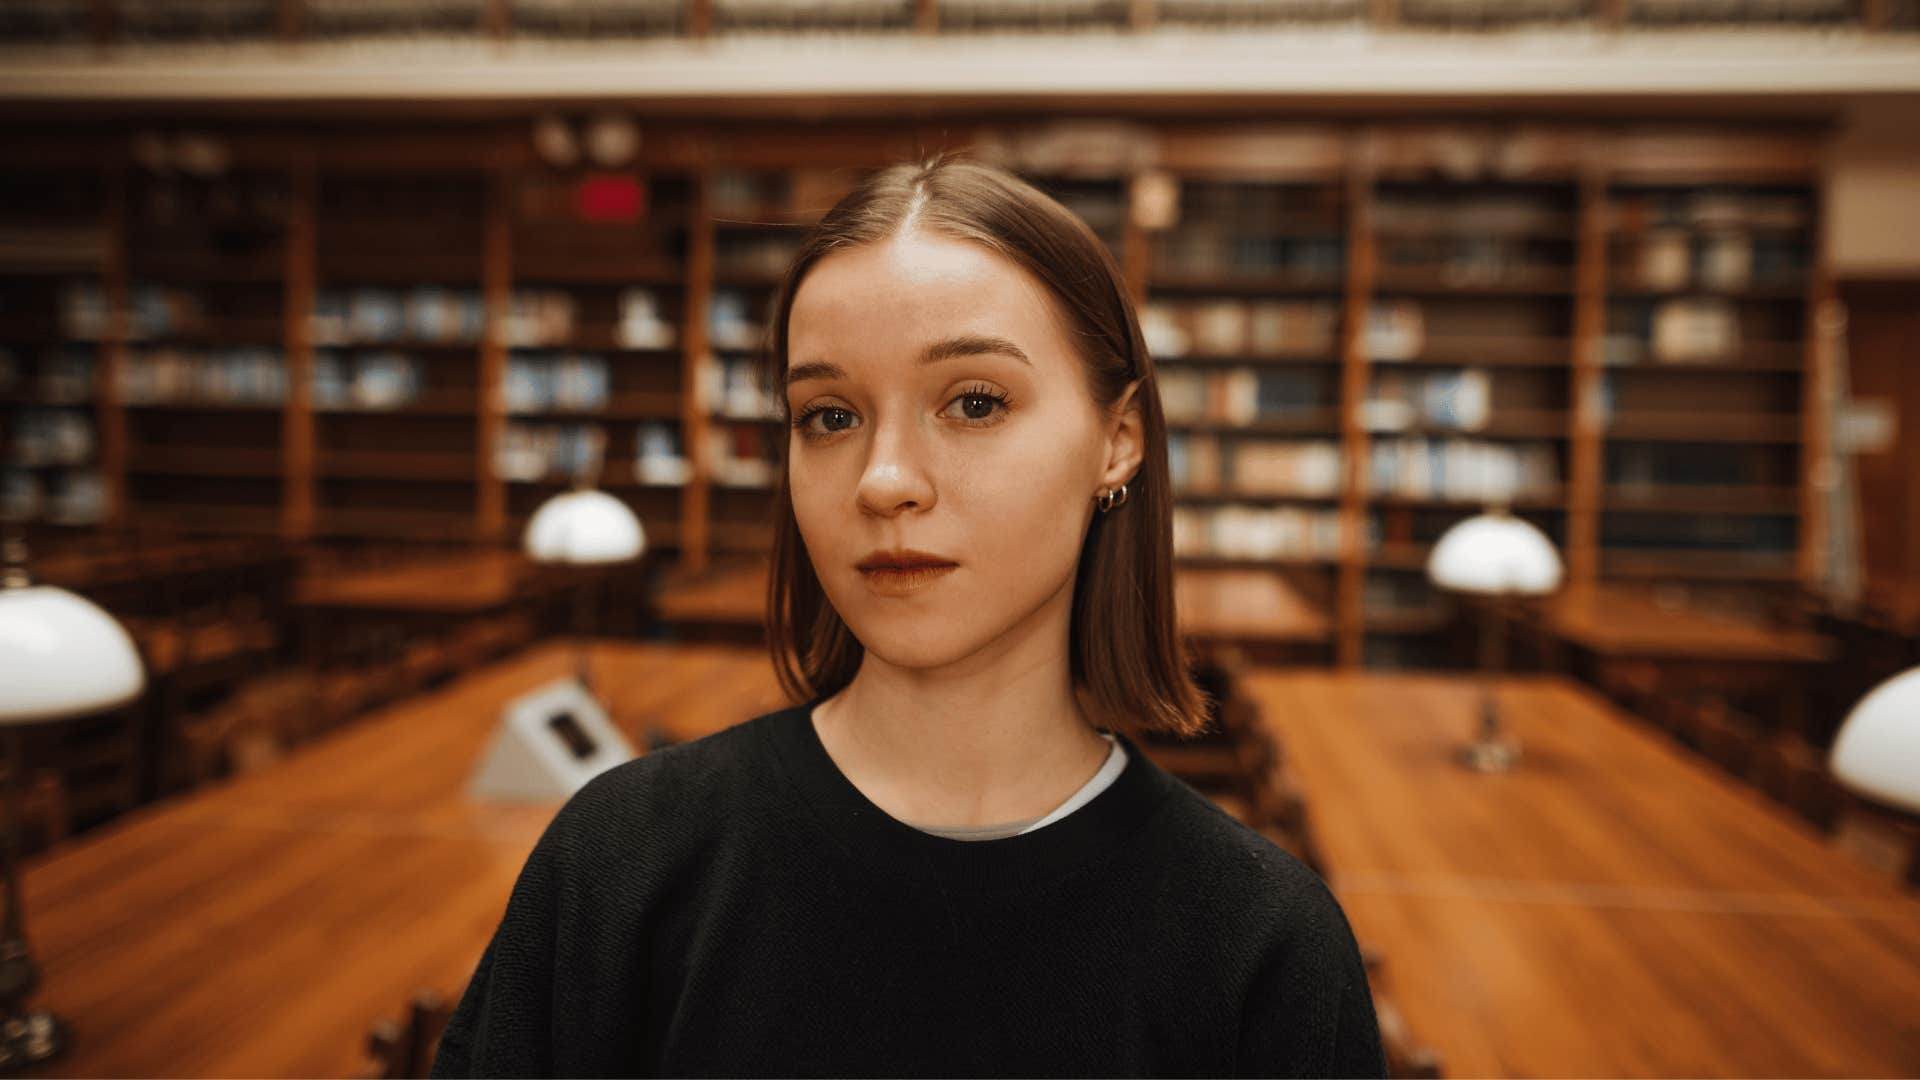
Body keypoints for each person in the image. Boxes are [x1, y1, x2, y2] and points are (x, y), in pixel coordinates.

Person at [430, 151, 1386, 1078]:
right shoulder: (623, 862)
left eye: (973, 402)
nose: (884, 482)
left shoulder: (1264, 947)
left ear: (1118, 441)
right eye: (830, 416)